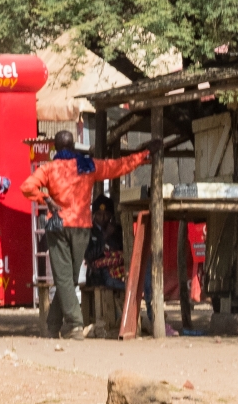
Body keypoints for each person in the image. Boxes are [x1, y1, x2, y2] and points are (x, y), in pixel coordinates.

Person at [20, 131, 149, 340]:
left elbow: (26, 187)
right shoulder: (88, 166)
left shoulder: (49, 168)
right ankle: (52, 326)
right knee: (68, 278)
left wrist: (46, 199)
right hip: (82, 226)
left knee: (63, 278)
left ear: (55, 148)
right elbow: (118, 166)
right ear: (72, 148)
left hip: (58, 225)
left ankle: (75, 324)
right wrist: (143, 155)